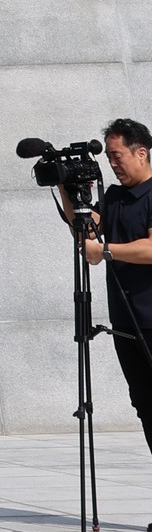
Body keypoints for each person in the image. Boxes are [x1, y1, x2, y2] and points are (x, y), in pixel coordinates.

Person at [82, 117, 152, 498]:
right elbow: (86, 236)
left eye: (118, 155)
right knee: (145, 407)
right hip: (125, 321)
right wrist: (67, 188)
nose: (113, 163)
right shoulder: (114, 198)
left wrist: (105, 250)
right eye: (109, 157)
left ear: (141, 152)